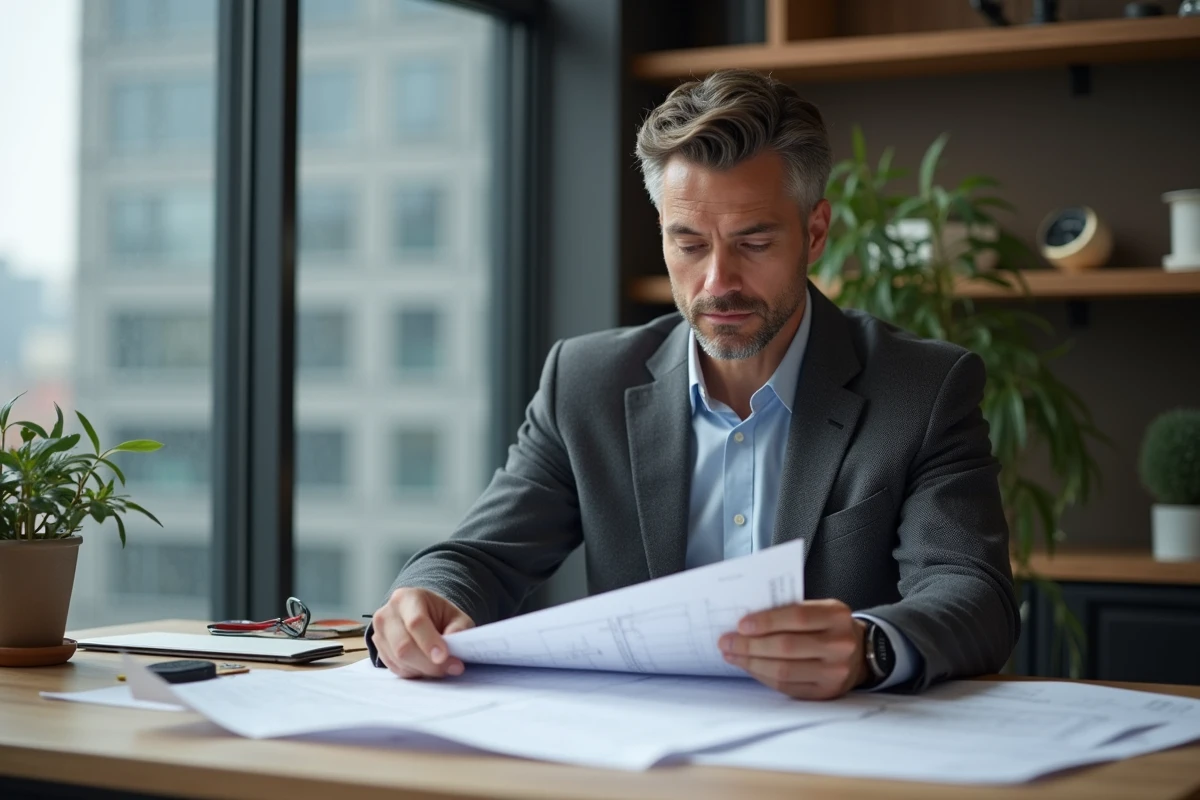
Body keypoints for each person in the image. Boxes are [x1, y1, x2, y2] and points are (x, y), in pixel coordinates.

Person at [368, 68, 1018, 698]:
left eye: (754, 242)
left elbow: (972, 593)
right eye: (689, 244)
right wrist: (427, 596)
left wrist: (869, 647)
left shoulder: (923, 390)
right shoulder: (586, 385)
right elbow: (482, 556)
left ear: (814, 232)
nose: (717, 283)